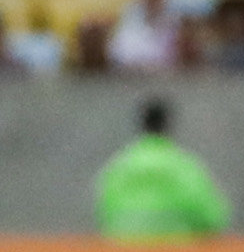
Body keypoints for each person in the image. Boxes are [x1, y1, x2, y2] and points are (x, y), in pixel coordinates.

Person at [97, 99, 231, 241]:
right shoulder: (183, 166)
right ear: (167, 125)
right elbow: (212, 218)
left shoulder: (119, 168)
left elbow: (104, 215)